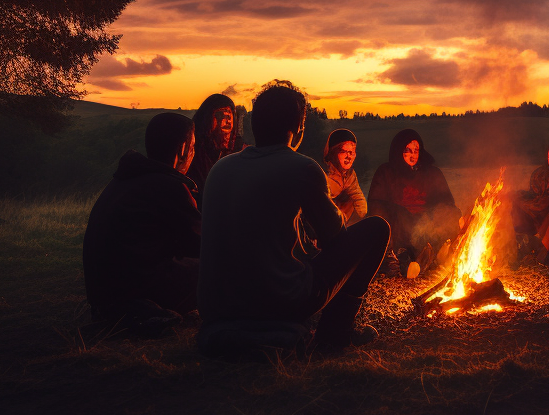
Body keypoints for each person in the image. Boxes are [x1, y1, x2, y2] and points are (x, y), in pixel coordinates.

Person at [198, 81, 390, 354]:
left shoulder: (221, 168)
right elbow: (335, 237)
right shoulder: (301, 167)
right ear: (298, 128)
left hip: (219, 306)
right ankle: (336, 333)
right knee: (377, 229)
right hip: (280, 302)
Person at [83, 112, 201, 331]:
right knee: (219, 267)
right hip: (137, 290)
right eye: (193, 146)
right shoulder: (170, 187)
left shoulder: (125, 179)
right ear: (183, 149)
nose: (194, 153)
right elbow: (201, 244)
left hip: (104, 295)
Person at [368, 129, 460, 276]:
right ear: (398, 151)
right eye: (408, 150)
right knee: (382, 213)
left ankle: (436, 257)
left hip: (425, 227)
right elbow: (376, 204)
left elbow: (447, 203)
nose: (413, 155)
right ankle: (390, 258)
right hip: (399, 227)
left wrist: (440, 215)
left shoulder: (431, 173)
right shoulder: (386, 172)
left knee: (451, 213)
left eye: (416, 150)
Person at [186, 93, 243, 188]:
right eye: (220, 114)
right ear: (207, 119)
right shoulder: (194, 151)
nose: (227, 119)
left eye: (229, 114)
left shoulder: (240, 150)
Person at [324, 128, 367, 226]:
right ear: (333, 153)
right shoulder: (325, 175)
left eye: (352, 152)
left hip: (344, 223)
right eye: (344, 151)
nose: (349, 156)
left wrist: (362, 218)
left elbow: (358, 197)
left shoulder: (350, 175)